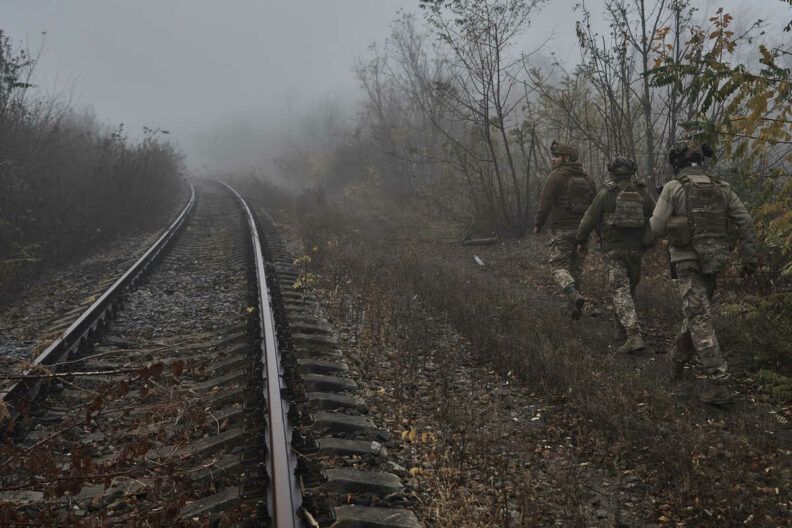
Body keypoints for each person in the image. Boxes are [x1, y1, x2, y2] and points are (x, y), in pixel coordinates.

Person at [650, 138, 757, 405]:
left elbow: (655, 228)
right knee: (697, 313)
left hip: (686, 262)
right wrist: (750, 259)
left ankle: (718, 383)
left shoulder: (674, 188)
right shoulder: (723, 188)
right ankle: (676, 360)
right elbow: (745, 221)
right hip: (714, 262)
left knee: (698, 317)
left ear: (677, 162)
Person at [576, 156, 655, 354]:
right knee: (628, 290)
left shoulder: (606, 194)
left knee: (620, 290)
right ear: (632, 172)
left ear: (612, 172)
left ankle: (634, 336)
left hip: (614, 250)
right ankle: (620, 330)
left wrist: (580, 240)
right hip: (636, 251)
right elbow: (656, 218)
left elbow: (588, 220)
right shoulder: (644, 194)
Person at [534, 141, 597, 318]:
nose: (553, 159)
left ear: (566, 158)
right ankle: (574, 307)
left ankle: (573, 295)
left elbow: (545, 201)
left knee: (558, 266)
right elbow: (595, 206)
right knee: (577, 268)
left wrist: (538, 222)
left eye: (556, 156)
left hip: (563, 229)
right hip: (583, 231)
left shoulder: (556, 176)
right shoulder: (587, 178)